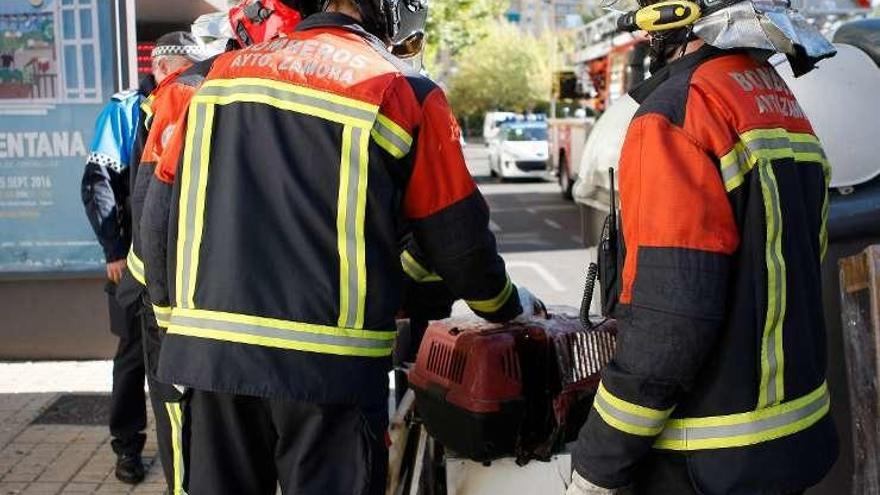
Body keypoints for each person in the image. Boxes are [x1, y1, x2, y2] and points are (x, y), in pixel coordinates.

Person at [141, 0, 542, 493]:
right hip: (326, 370)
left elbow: (158, 217)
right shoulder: (401, 90)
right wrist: (506, 306)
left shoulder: (217, 78)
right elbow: (456, 242)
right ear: (397, 13)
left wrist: (172, 332)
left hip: (211, 359)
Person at [566, 0, 839, 494]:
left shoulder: (677, 113)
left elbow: (669, 323)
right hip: (794, 444)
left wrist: (596, 465)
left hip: (704, 460)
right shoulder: (780, 101)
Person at [139, 5, 302, 493]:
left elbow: (155, 212)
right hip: (288, 323)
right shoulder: (344, 81)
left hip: (205, 315)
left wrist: (168, 314)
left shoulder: (189, 89)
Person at [80, 32, 208, 485]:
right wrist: (114, 249)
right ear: (160, 67)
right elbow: (98, 181)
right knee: (133, 356)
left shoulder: (196, 99)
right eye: (181, 70)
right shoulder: (127, 109)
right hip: (133, 261)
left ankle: (189, 443)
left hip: (180, 267)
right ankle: (128, 446)